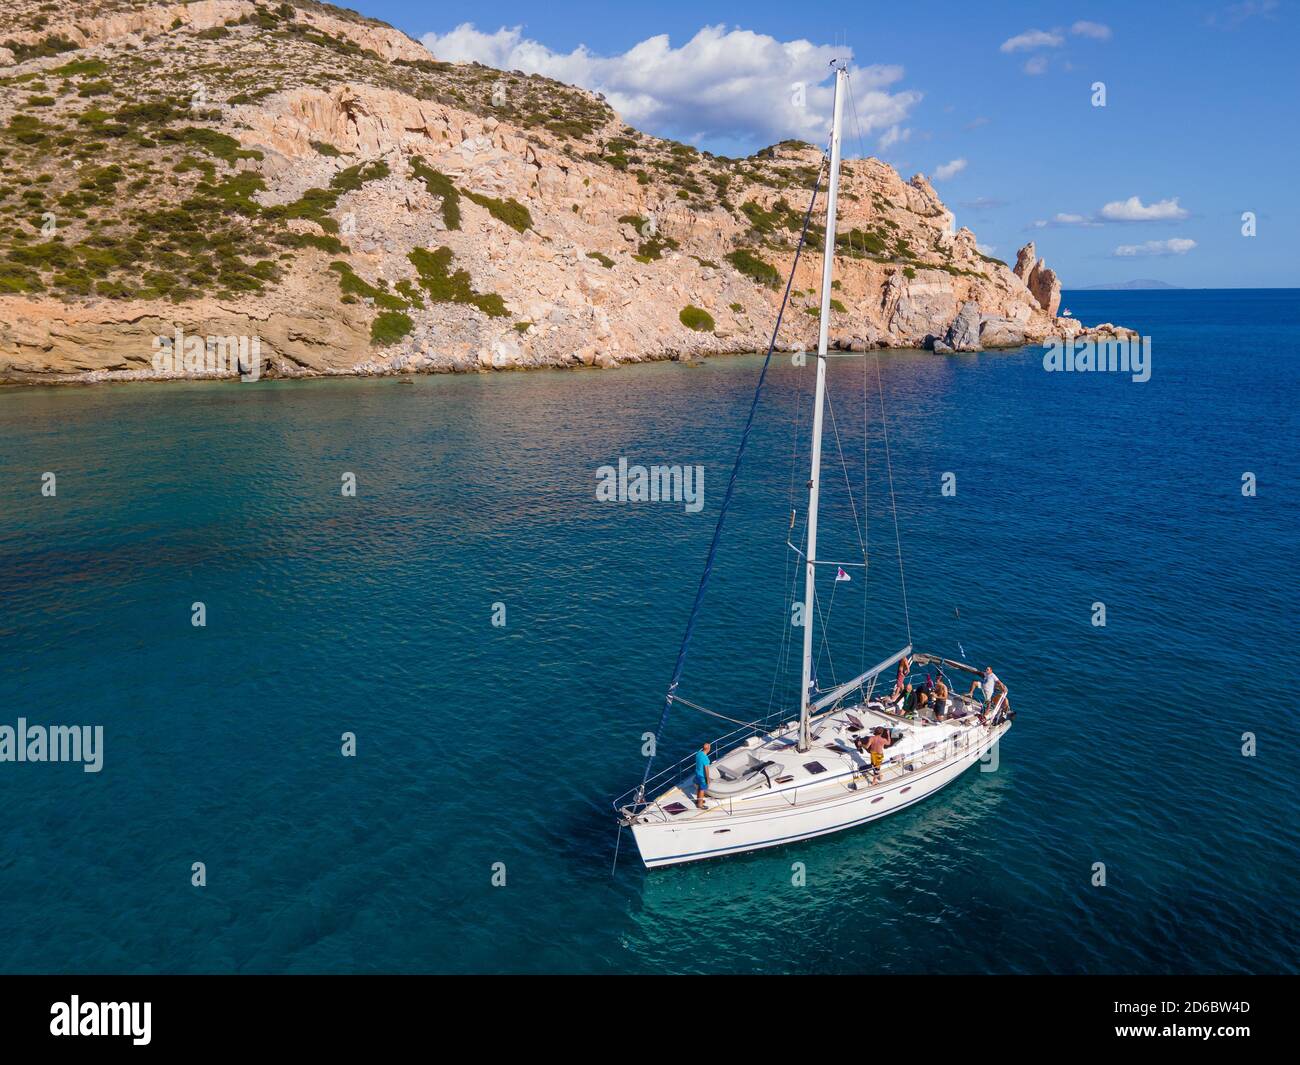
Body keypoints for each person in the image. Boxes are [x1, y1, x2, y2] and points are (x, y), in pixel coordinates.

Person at [694, 742, 711, 809]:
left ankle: (698, 800)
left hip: (697, 773)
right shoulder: (705, 758)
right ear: (708, 749)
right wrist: (708, 779)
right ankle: (700, 805)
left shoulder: (698, 754)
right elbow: (706, 769)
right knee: (702, 790)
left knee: (699, 788)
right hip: (702, 776)